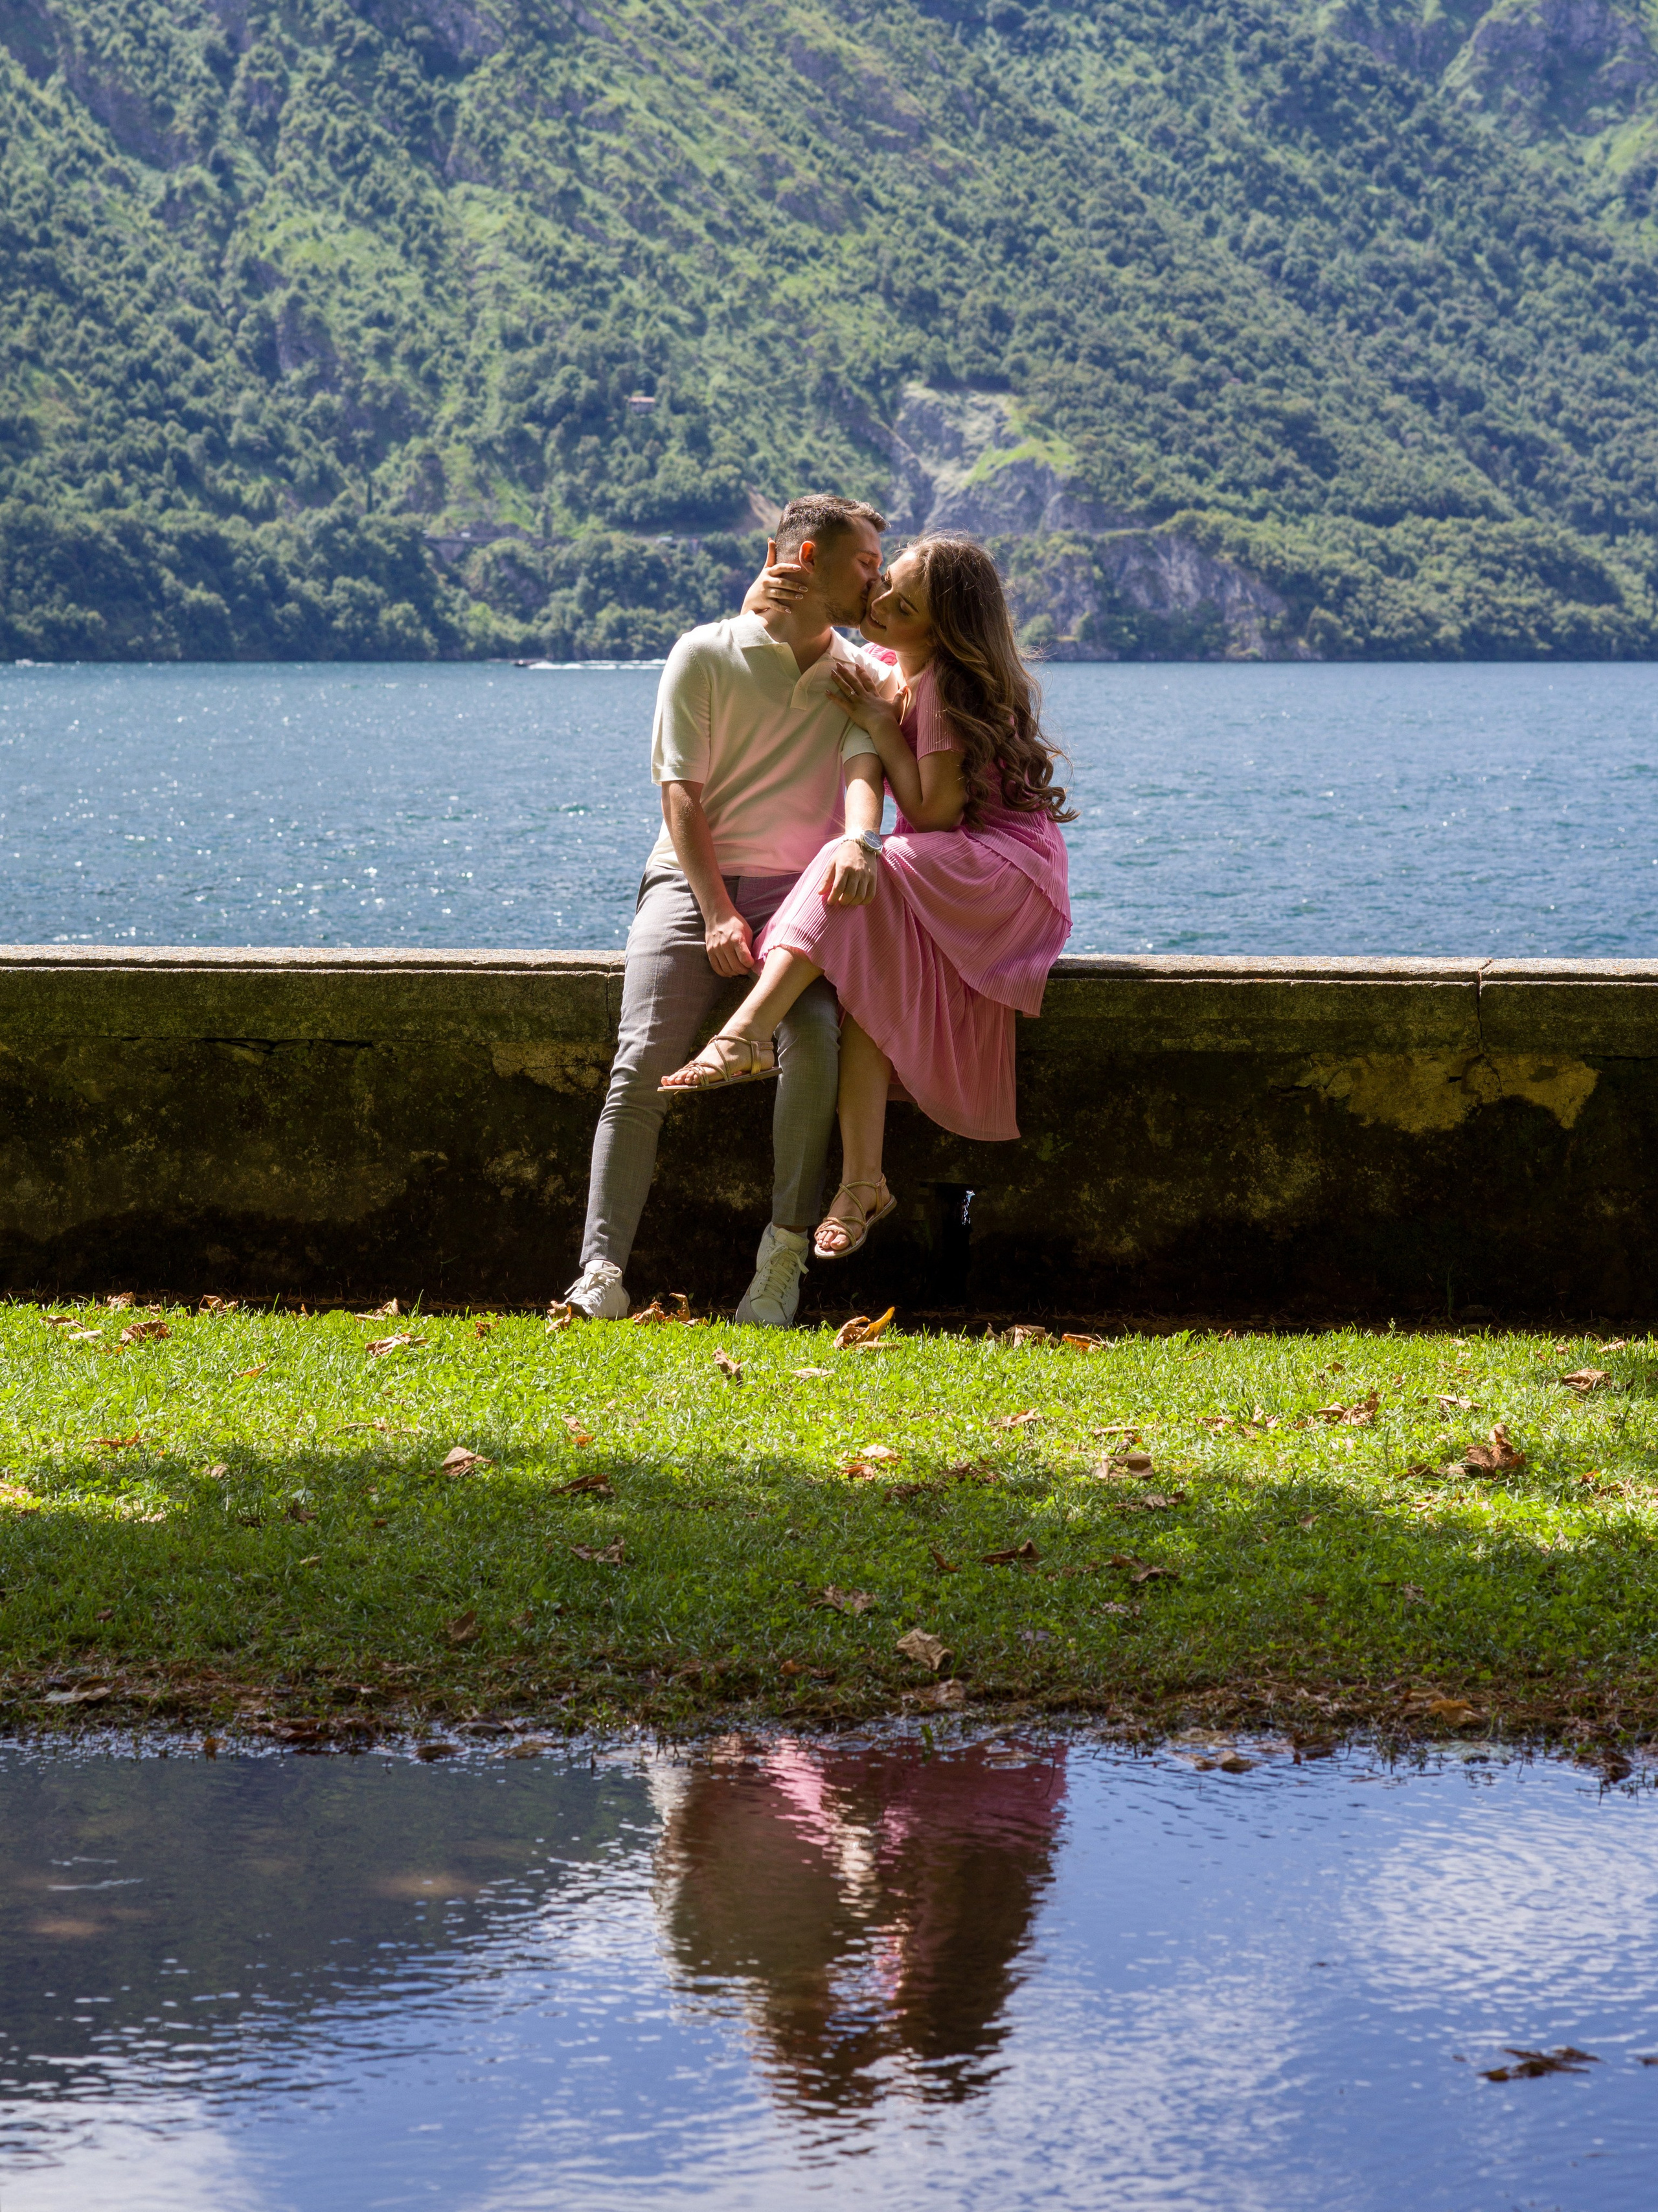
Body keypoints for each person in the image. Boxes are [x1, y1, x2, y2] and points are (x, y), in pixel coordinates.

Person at [659, 534, 1073, 1259]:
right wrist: (765, 597)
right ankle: (862, 1183)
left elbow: (936, 812)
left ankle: (746, 1032)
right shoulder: (885, 663)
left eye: (900, 604)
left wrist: (882, 723)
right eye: (881, 584)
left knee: (848, 860)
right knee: (867, 988)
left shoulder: (938, 684)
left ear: (939, 631)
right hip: (950, 863)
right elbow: (810, 642)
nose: (876, 603)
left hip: (1002, 873)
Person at [562, 493, 890, 1326]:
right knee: (641, 1056)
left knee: (813, 1041)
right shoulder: (704, 652)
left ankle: (780, 1264)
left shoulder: (859, 673)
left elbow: (863, 774)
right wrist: (712, 911)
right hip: (689, 881)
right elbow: (681, 792)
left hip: (801, 897)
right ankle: (599, 1271)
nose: (877, 580)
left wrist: (860, 841)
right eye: (863, 563)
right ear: (805, 560)